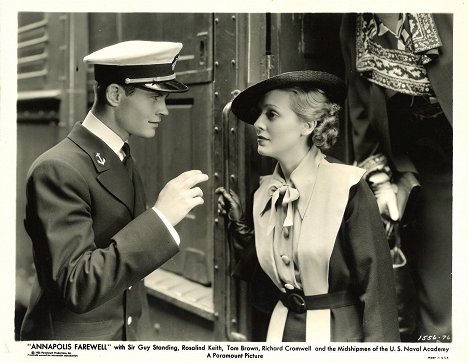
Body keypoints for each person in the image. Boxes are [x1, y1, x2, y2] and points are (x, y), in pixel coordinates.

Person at [20, 41, 208, 340]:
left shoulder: (117, 154)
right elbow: (77, 285)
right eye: (155, 97)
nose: (164, 110)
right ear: (115, 94)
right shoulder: (58, 168)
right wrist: (160, 219)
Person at [216, 70, 400, 342]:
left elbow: (378, 293)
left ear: (308, 125)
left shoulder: (347, 187)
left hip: (340, 338)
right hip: (279, 334)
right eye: (259, 114)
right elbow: (267, 288)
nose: (257, 123)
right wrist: (242, 230)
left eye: (271, 114)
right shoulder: (266, 191)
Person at [340, 13, 453, 341]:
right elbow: (360, 111)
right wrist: (381, 180)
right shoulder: (354, 26)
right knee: (437, 299)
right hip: (425, 171)